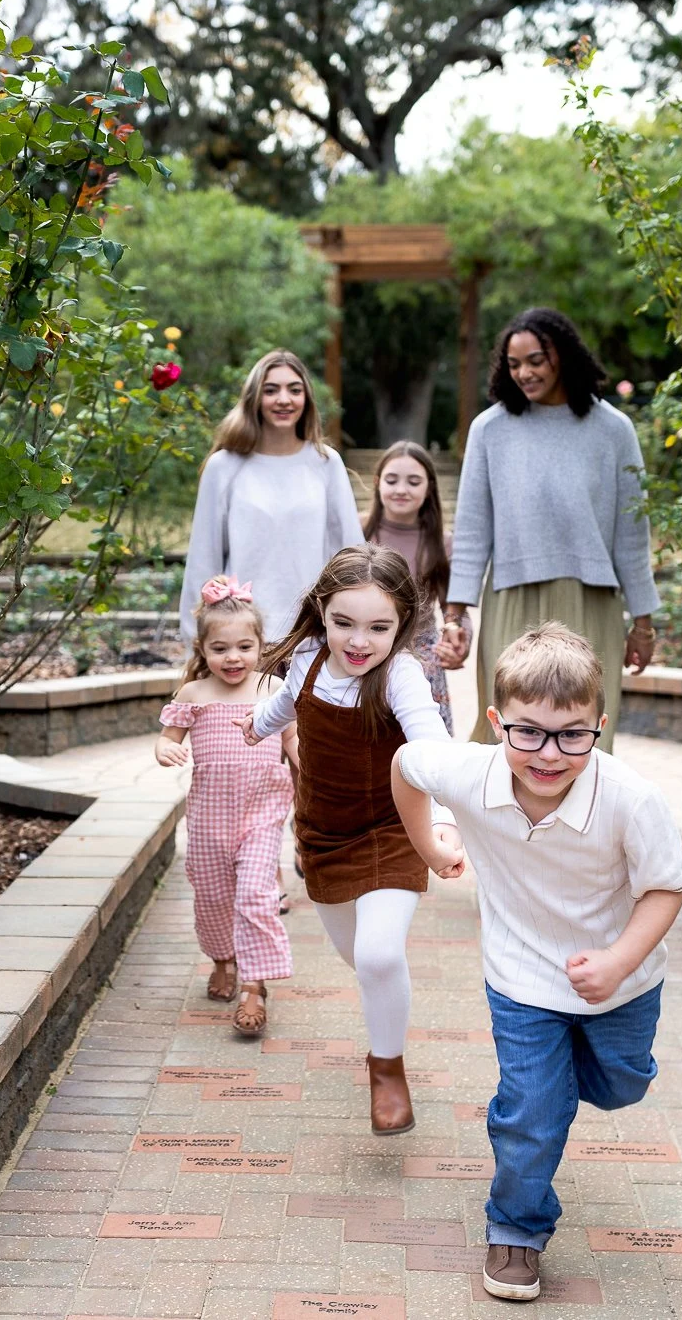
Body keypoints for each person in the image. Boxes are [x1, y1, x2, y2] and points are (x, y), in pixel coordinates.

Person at [392, 623, 682, 1302]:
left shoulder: (631, 798)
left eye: (571, 734)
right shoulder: (469, 770)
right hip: (521, 976)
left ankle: (550, 1091)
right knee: (534, 1106)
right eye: (528, 732)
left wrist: (617, 960)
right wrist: (429, 846)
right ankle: (516, 1229)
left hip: (622, 981)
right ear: (496, 722)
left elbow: (667, 887)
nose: (549, 753)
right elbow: (406, 765)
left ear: (599, 726)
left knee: (620, 1085)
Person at [236, 544, 463, 1135]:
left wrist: (442, 824)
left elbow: (430, 748)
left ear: (403, 625)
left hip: (393, 830)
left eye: (378, 627)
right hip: (323, 834)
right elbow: (286, 703)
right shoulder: (309, 657)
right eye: (344, 623)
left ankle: (387, 1069)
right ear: (322, 613)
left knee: (379, 954)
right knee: (360, 959)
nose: (359, 641)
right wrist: (257, 727)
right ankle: (384, 1002)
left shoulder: (401, 677)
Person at [442, 308, 658, 750]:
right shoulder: (490, 429)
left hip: (591, 601)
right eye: (514, 364)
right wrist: (455, 614)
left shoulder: (614, 430)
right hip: (510, 599)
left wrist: (643, 624)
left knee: (586, 735)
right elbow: (471, 531)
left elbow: (631, 535)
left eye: (535, 360)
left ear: (563, 355)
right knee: (507, 731)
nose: (524, 373)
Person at [155, 577, 294, 1036]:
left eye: (244, 646)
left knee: (256, 894)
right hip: (210, 817)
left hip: (263, 811)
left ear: (259, 645)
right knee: (212, 896)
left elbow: (294, 740)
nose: (232, 658)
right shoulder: (194, 694)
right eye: (220, 648)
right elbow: (168, 737)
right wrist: (165, 749)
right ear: (202, 648)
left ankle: (255, 986)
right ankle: (222, 959)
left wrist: (309, 770)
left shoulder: (274, 688)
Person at [181, 350, 362, 645]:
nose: (283, 399)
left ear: (306, 399)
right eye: (271, 390)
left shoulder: (326, 463)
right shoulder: (224, 466)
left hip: (312, 635)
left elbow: (350, 554)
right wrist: (195, 641)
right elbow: (203, 559)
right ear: (255, 398)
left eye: (294, 389)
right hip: (240, 637)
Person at [362, 441, 469, 733]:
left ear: (429, 488)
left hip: (422, 653)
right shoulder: (357, 531)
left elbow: (454, 607)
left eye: (413, 481)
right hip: (364, 650)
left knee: (424, 747)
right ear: (377, 482)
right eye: (392, 479)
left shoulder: (442, 542)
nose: (401, 489)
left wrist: (457, 640)